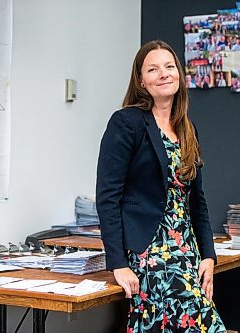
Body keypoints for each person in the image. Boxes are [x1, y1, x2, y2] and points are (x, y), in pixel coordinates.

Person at [96, 40, 226, 332]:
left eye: (169, 67)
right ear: (141, 80)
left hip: (185, 249)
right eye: (153, 69)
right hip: (148, 250)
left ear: (179, 74)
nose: (164, 74)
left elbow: (197, 200)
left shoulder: (187, 129)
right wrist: (117, 263)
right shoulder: (126, 123)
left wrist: (208, 255)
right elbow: (107, 198)